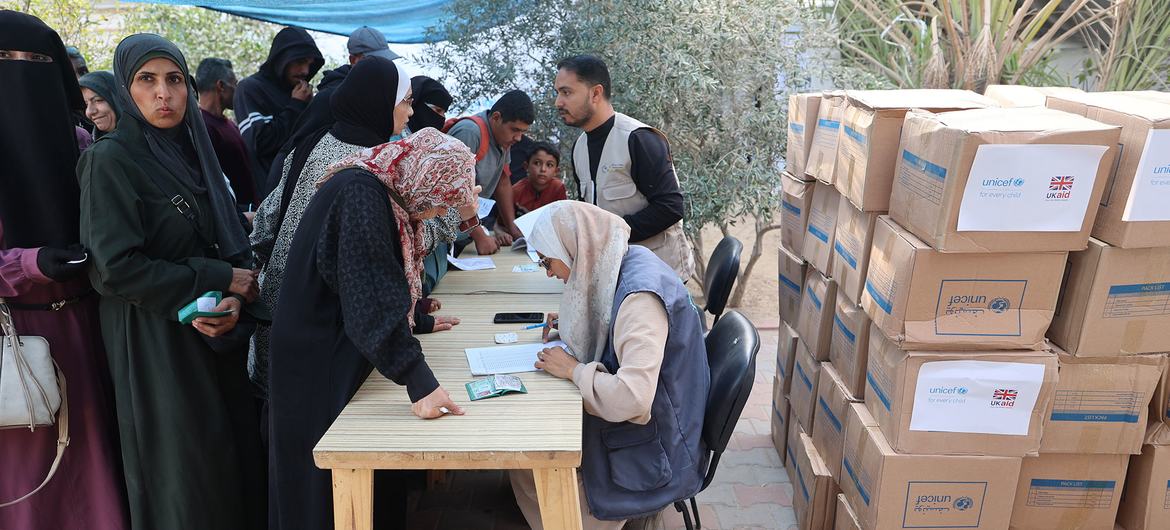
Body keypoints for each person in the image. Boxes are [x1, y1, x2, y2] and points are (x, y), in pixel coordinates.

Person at [78, 33, 266, 529]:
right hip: (153, 341)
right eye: (147, 80)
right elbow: (115, 268)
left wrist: (229, 300)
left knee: (227, 471)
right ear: (125, 89)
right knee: (183, 481)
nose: (164, 94)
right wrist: (218, 276)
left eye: (175, 80)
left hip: (210, 333)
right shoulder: (110, 160)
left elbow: (217, 242)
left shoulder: (191, 154)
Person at [267, 127, 476, 530]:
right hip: (316, 360)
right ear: (425, 179)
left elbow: (366, 281)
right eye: (440, 203)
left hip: (323, 346)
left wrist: (419, 321)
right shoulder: (363, 196)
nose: (435, 215)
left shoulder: (372, 186)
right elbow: (370, 300)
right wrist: (421, 383)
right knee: (321, 485)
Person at [250, 56, 461, 407]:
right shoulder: (368, 169)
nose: (410, 113)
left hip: (278, 319)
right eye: (406, 101)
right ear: (379, 101)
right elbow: (375, 268)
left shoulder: (312, 143)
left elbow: (264, 227)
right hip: (325, 335)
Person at [0, 12, 128, 529]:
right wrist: (33, 263)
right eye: (5, 62)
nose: (21, 73)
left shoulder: (83, 148)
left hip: (93, 329)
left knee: (97, 463)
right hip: (17, 340)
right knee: (34, 481)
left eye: (36, 62)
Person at [509, 201, 709, 530]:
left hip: (656, 451)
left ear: (577, 247)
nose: (548, 272)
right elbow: (612, 317)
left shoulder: (640, 300)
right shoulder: (627, 258)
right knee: (526, 461)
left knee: (531, 464)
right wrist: (577, 321)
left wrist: (573, 370)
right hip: (655, 428)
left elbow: (633, 398)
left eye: (548, 260)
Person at [554, 55, 694, 280]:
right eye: (557, 93)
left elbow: (670, 208)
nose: (558, 102)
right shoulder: (579, 148)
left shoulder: (639, 139)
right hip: (614, 276)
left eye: (566, 92)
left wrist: (609, 234)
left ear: (596, 93)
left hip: (659, 279)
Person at [255, 26, 400, 200]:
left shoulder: (368, 96)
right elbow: (295, 146)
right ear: (353, 60)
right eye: (373, 60)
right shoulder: (333, 97)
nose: (380, 66)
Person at [234, 26, 323, 192]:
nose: (305, 71)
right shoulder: (251, 89)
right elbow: (260, 142)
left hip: (299, 192)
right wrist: (296, 106)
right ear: (282, 59)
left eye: (309, 64)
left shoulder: (297, 92)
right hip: (267, 195)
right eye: (299, 62)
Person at [447, 89, 534, 255]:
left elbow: (502, 181)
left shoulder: (504, 138)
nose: (518, 138)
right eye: (515, 129)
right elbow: (455, 191)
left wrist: (513, 228)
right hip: (446, 235)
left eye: (523, 132)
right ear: (496, 117)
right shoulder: (469, 133)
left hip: (468, 231)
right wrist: (480, 237)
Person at [197, 57, 257, 207]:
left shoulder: (230, 125)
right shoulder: (201, 128)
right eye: (235, 84)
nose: (236, 90)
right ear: (221, 86)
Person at [512, 141, 567, 213]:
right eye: (537, 163)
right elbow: (502, 222)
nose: (543, 169)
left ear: (556, 171)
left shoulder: (558, 188)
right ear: (526, 166)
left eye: (549, 165)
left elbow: (562, 217)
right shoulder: (516, 191)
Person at [79, 70, 120, 138]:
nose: (89, 112)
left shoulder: (142, 137)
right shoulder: (96, 143)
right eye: (85, 105)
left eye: (98, 100)